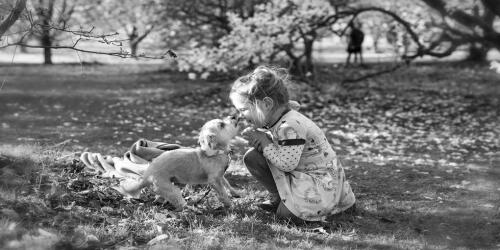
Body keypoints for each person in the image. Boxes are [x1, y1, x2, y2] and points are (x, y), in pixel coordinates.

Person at [229, 65, 356, 223]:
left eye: (243, 110)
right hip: (302, 175)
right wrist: (262, 138)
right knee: (253, 157)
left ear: (267, 104)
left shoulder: (290, 126)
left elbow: (287, 164)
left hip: (321, 184)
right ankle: (279, 197)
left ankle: (329, 207)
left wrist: (264, 141)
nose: (240, 116)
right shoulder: (279, 116)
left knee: (286, 216)